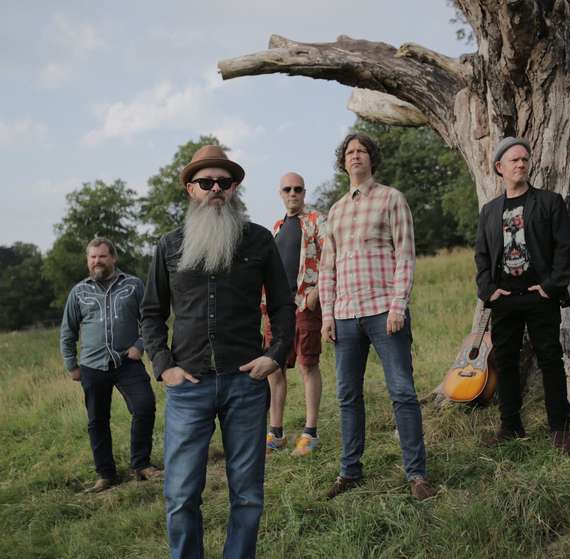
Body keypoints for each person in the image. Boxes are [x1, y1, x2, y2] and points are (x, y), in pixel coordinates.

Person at [141, 145, 295, 559]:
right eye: (206, 182)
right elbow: (152, 313)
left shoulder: (259, 239)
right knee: (180, 495)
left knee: (247, 495)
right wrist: (163, 367)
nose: (215, 189)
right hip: (188, 386)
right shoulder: (169, 246)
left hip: (245, 383)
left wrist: (275, 354)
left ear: (235, 188)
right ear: (191, 189)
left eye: (224, 182)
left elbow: (283, 305)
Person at [319, 132, 436, 500]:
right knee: (347, 395)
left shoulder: (391, 199)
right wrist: (327, 315)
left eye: (362, 151)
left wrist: (398, 304)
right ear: (343, 162)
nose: (355, 156)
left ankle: (416, 475)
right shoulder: (335, 212)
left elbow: (405, 254)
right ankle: (350, 471)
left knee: (401, 392)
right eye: (350, 152)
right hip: (345, 316)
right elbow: (327, 268)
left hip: (385, 312)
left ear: (372, 158)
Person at [474, 137, 570, 454]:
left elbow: (565, 250)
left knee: (550, 360)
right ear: (499, 167)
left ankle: (559, 428)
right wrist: (489, 291)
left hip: (540, 297)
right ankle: (511, 425)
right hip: (504, 299)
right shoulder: (490, 211)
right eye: (514, 160)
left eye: (525, 159)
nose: (521, 164)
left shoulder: (549, 202)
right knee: (505, 362)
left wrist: (551, 286)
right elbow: (481, 256)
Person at [60, 237, 159, 493]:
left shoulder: (133, 285)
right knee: (97, 421)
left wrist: (140, 345)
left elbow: (150, 319)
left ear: (113, 258)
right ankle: (106, 474)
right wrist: (72, 365)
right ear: (87, 261)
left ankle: (141, 465)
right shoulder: (79, 292)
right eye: (93, 257)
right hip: (92, 365)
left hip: (128, 361)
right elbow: (68, 331)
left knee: (145, 406)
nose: (97, 261)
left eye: (102, 256)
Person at [264, 172, 325, 457]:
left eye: (298, 189)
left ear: (304, 192)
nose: (293, 194)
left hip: (304, 304)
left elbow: (333, 253)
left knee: (307, 365)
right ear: (280, 192)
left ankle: (310, 432)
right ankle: (275, 433)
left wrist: (318, 290)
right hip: (277, 309)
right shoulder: (276, 227)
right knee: (274, 368)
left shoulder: (316, 221)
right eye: (287, 189)